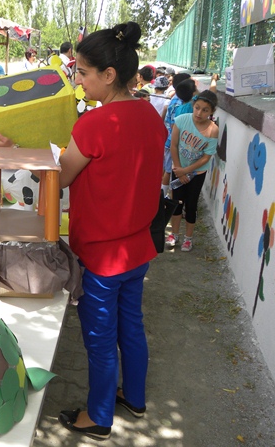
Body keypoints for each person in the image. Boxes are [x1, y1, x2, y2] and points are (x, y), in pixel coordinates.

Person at [55, 22, 166, 441]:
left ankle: (99, 417)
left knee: (100, 340)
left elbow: (62, 177)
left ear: (108, 75)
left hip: (102, 255)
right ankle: (134, 397)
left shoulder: (94, 125)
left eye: (83, 73)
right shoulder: (151, 116)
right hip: (137, 248)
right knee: (131, 326)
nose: (78, 80)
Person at [165, 90, 219, 252]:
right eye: (197, 108)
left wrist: (186, 171)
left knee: (191, 204)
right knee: (177, 203)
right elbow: (173, 145)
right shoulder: (181, 120)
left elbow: (206, 158)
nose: (199, 113)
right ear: (193, 106)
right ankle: (174, 234)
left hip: (196, 173)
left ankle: (189, 237)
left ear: (211, 112)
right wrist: (178, 169)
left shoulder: (213, 130)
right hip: (178, 167)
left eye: (205, 110)